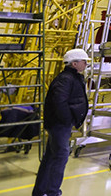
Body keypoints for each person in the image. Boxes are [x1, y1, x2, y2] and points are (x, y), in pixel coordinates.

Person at [32, 48, 89, 196]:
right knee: (60, 157)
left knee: (51, 157)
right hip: (59, 125)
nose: (86, 64)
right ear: (74, 63)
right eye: (84, 61)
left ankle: (40, 191)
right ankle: (52, 192)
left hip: (60, 124)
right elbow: (59, 102)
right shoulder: (66, 79)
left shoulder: (72, 77)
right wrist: (67, 120)